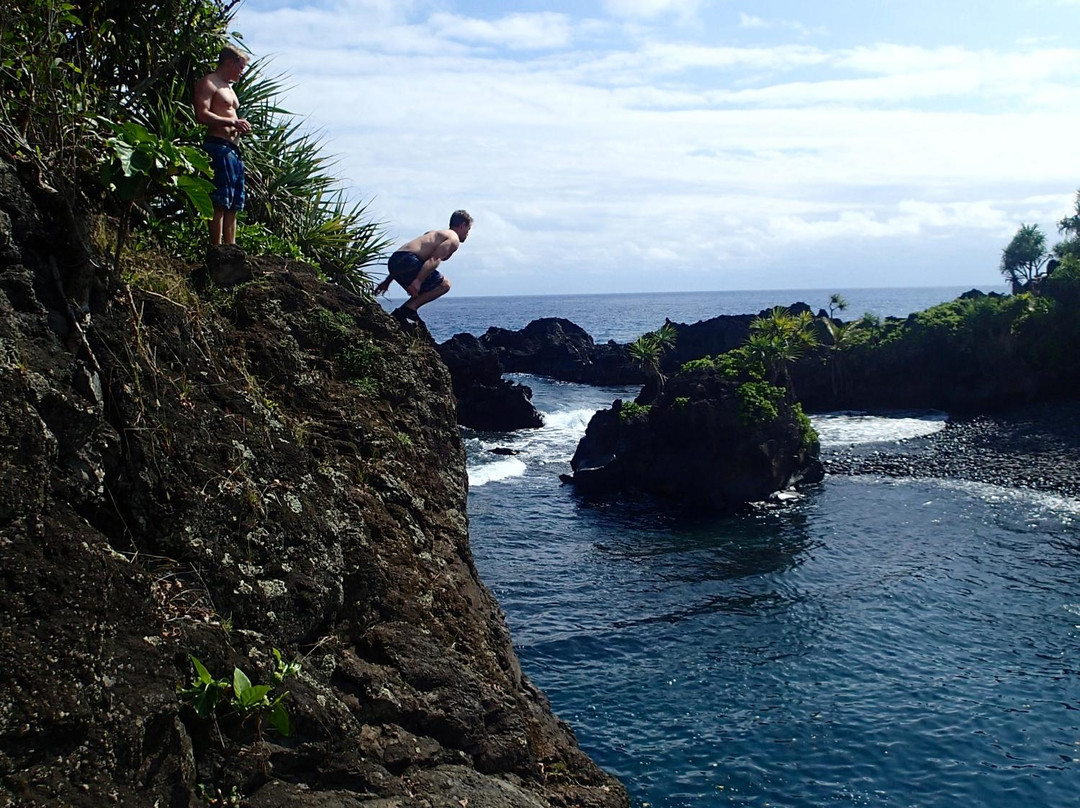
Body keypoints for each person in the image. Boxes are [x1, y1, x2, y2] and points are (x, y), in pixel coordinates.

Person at [193, 46, 251, 246]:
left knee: (234, 202)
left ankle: (231, 247)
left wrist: (238, 125)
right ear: (230, 62)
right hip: (217, 146)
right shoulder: (209, 83)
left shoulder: (230, 88)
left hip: (233, 150)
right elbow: (202, 114)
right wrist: (232, 123)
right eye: (241, 67)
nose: (242, 72)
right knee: (219, 199)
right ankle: (216, 247)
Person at [375, 210, 473, 323]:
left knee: (424, 289)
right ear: (463, 225)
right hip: (408, 260)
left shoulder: (433, 233)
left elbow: (403, 258)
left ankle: (404, 312)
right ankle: (408, 309)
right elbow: (434, 259)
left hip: (394, 261)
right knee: (444, 285)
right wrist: (418, 281)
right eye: (468, 229)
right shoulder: (453, 238)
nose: (468, 234)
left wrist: (387, 281)